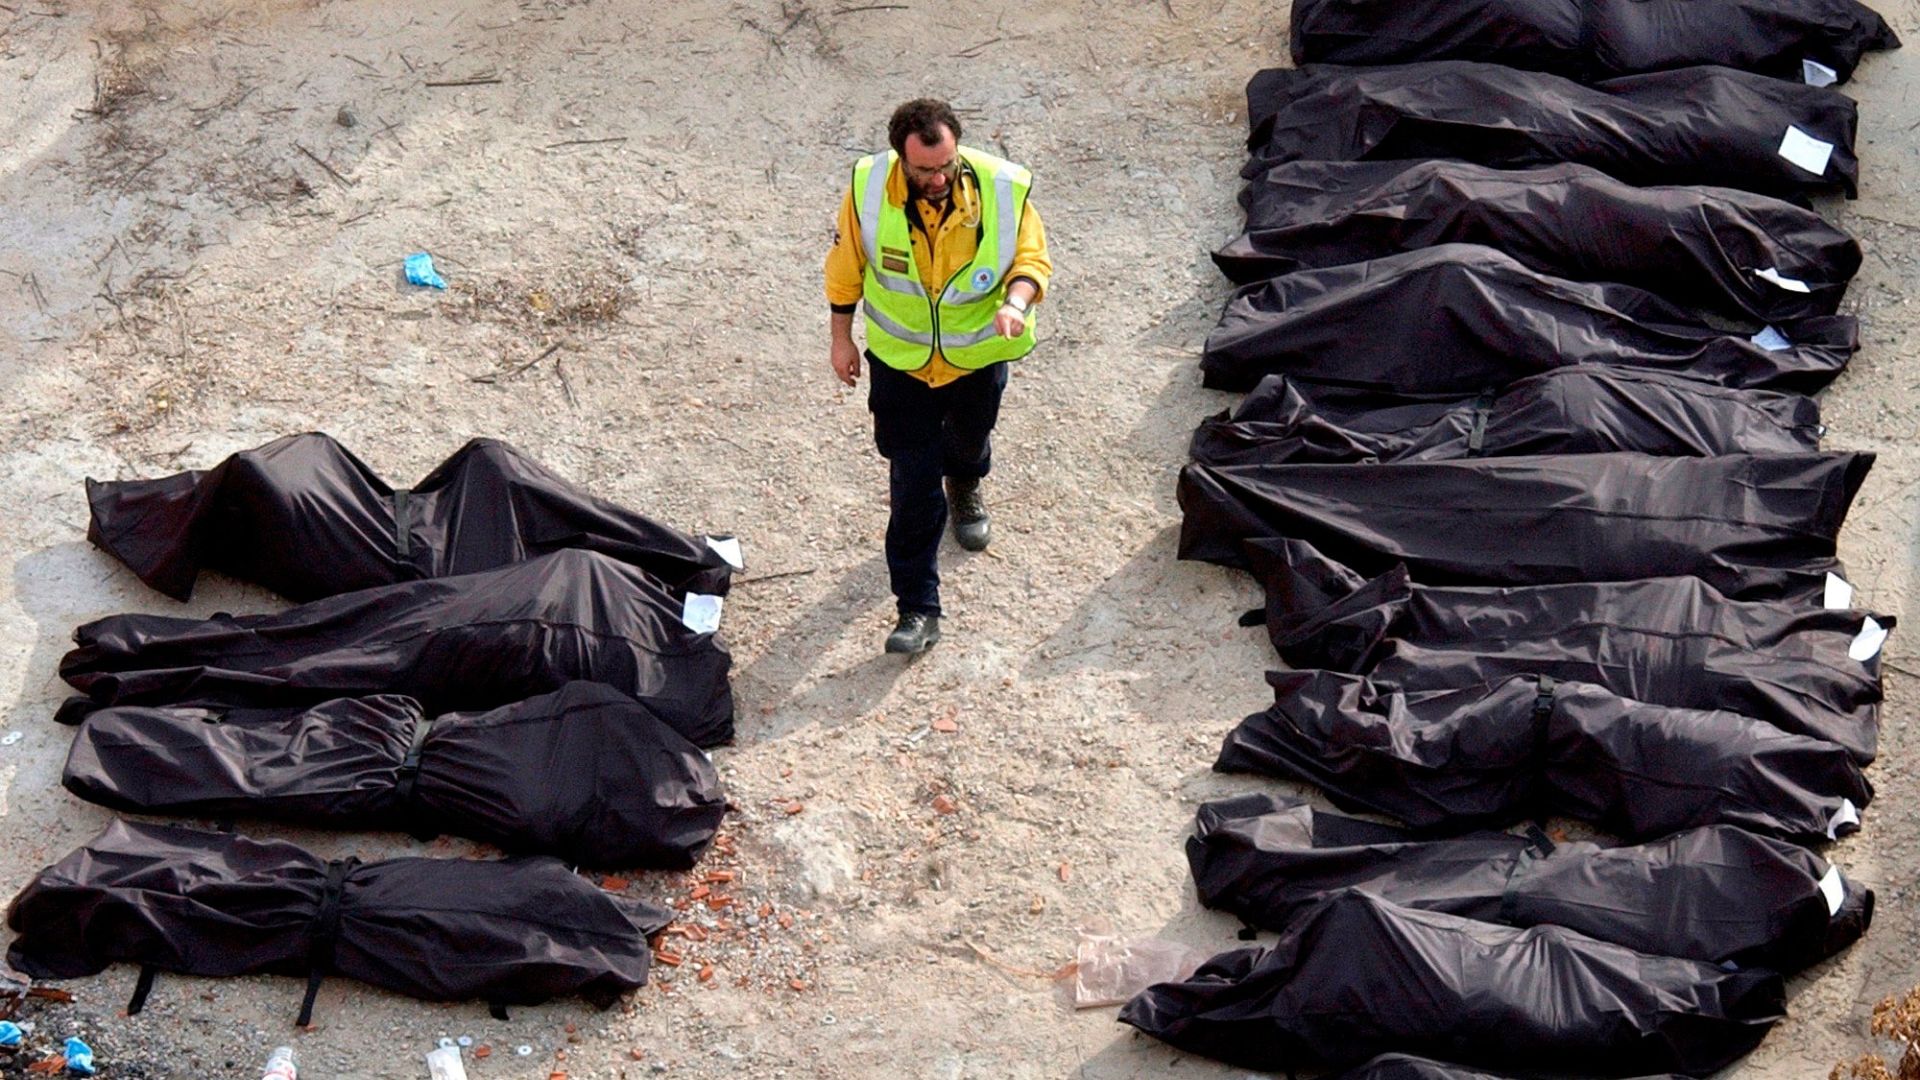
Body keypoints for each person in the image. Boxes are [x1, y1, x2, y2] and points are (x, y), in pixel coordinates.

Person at [824, 98, 1053, 655]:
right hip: (902, 366)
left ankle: (967, 484)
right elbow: (846, 265)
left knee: (970, 441)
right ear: (901, 157)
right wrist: (840, 338)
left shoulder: (1002, 188)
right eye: (924, 169)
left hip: (976, 357)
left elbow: (1032, 261)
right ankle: (918, 609)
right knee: (911, 486)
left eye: (945, 165)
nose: (937, 178)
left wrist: (1017, 304)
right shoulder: (868, 189)